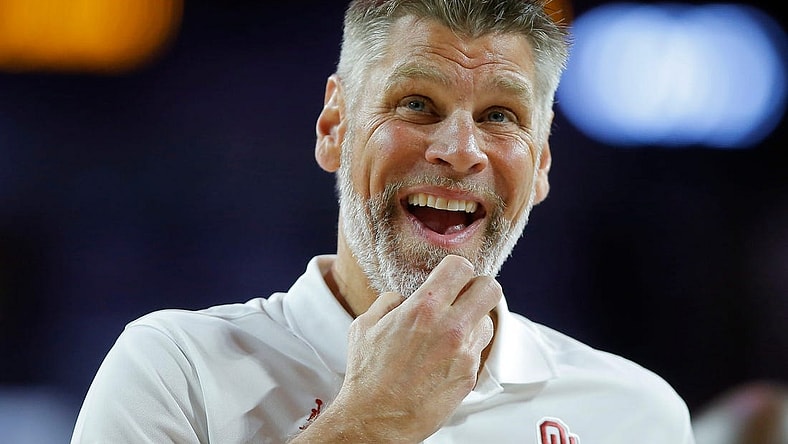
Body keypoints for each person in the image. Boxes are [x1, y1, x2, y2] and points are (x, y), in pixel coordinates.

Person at [71, 1, 696, 442]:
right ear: (334, 128)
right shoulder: (175, 370)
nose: (461, 148)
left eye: (501, 116)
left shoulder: (637, 416)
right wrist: (369, 425)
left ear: (541, 165)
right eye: (417, 104)